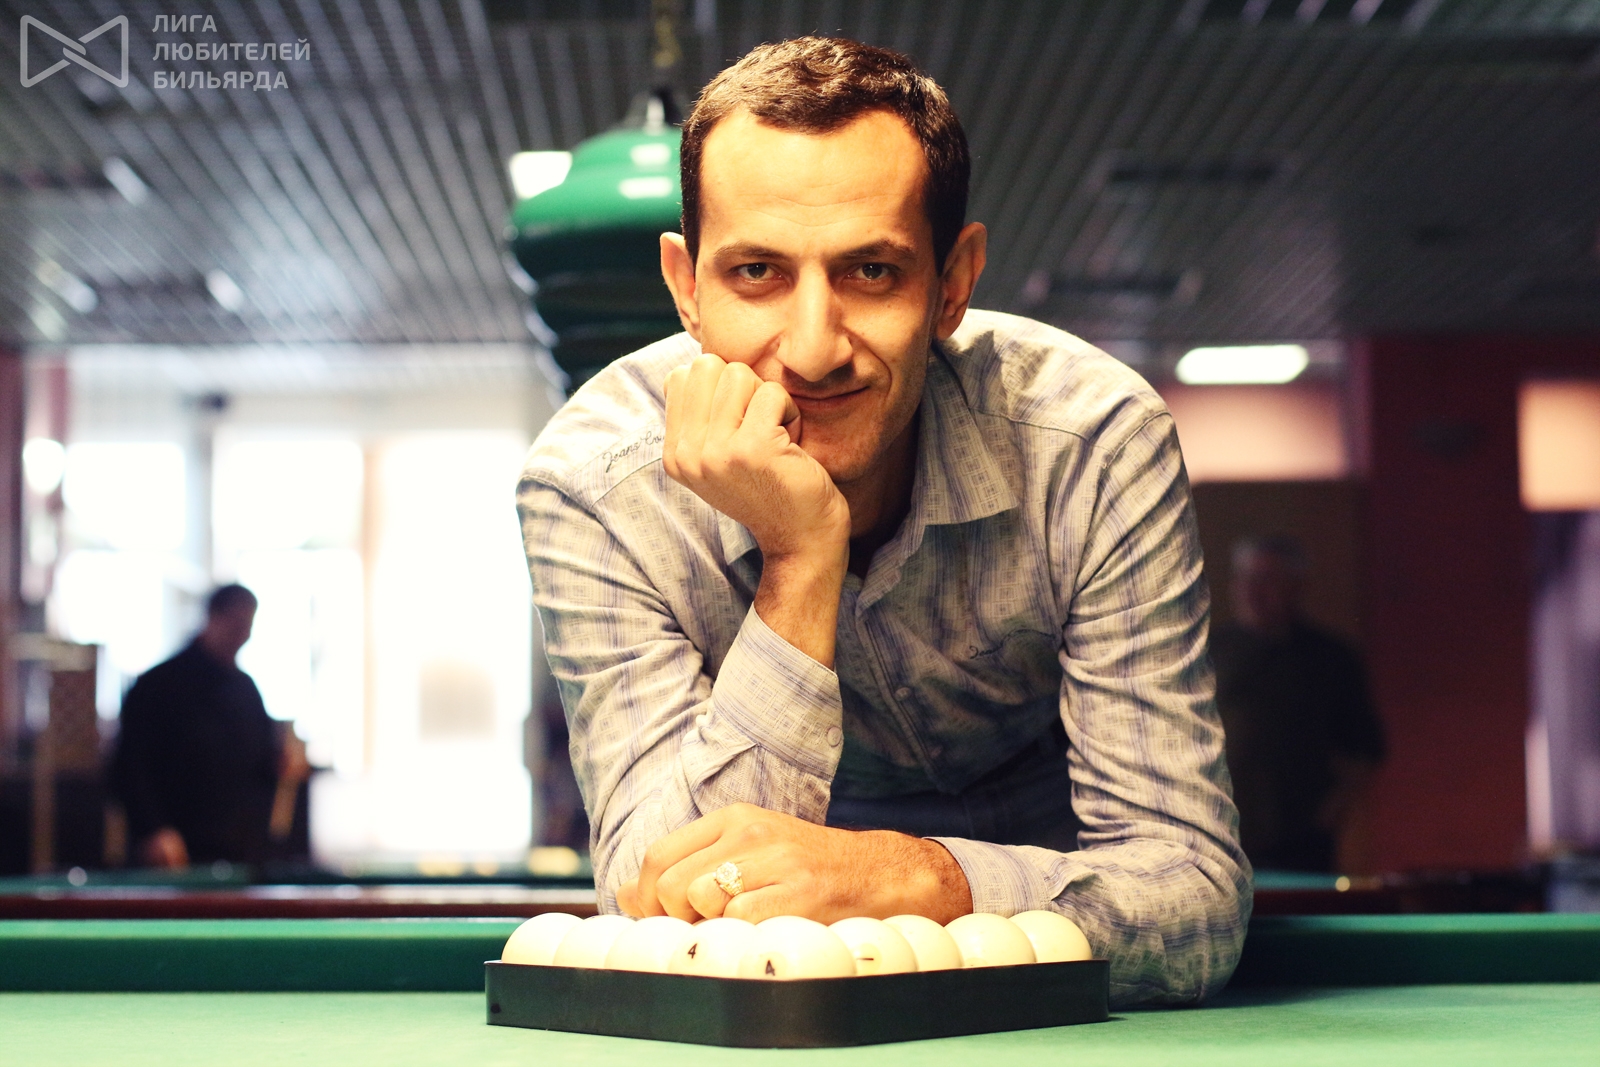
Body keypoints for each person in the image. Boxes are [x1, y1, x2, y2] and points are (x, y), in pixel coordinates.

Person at [518, 37, 1248, 1005]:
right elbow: (673, 913)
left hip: (1047, 998)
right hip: (808, 989)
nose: (813, 349)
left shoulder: (1093, 443)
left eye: (870, 270)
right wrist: (798, 557)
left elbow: (1192, 895)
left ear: (953, 284)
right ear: (687, 288)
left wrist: (906, 876)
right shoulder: (593, 485)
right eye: (756, 272)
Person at [1210, 537, 1386, 873]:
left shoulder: (1330, 658)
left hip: (1301, 841)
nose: (1252, 590)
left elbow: (1364, 749)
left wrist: (1332, 811)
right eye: (1245, 578)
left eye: (1267, 579)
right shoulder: (1206, 653)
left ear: (1295, 586)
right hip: (1218, 836)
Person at [110, 584, 307, 868]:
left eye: (248, 626)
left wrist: (280, 763)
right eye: (237, 624)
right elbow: (130, 766)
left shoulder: (245, 689)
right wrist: (153, 830)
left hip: (237, 849)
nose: (243, 635)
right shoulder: (158, 684)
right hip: (175, 849)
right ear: (213, 618)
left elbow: (260, 760)